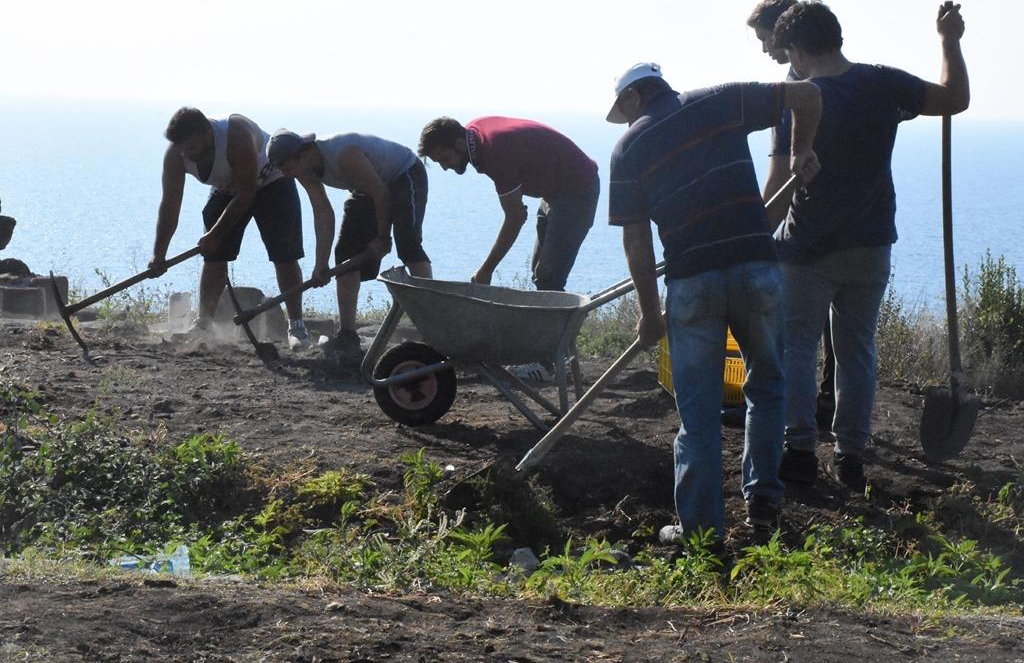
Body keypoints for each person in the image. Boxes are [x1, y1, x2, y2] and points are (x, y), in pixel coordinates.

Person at [605, 61, 822, 544]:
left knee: (698, 414)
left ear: (634, 99)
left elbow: (636, 242)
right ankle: (764, 503)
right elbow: (807, 96)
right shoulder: (719, 100)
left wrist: (648, 313)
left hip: (693, 282)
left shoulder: (627, 148)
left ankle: (701, 534)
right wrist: (799, 150)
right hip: (756, 269)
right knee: (767, 387)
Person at [768, 0, 969, 490]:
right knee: (856, 349)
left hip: (807, 248)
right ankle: (850, 457)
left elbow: (777, 186)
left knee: (795, 346)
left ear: (795, 48)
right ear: (835, 37)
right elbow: (954, 98)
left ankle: (798, 451)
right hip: (871, 244)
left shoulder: (797, 98)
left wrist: (748, 238)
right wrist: (949, 42)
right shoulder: (882, 83)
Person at [747, 0, 838, 435]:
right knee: (841, 333)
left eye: (767, 39)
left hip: (807, 229)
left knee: (799, 335)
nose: (765, 49)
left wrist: (757, 233)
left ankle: (800, 429)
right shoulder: (838, 77)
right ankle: (830, 406)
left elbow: (778, 173)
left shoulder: (789, 95)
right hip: (855, 223)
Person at [148, 107, 312, 349]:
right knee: (213, 256)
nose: (187, 155)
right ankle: (204, 324)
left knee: (284, 255)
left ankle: (297, 327)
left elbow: (246, 195)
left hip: (272, 181)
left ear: (206, 134)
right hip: (228, 187)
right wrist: (159, 254)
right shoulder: (176, 154)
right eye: (182, 149)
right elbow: (170, 206)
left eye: (191, 148)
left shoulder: (236, 135)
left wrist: (215, 234)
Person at [266, 129, 432, 365]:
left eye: (284, 164)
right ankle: (347, 334)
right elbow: (322, 211)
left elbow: (382, 194)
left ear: (303, 153)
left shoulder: (344, 156)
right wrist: (321, 263)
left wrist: (383, 238)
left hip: (403, 175)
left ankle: (434, 327)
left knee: (408, 244)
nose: (283, 173)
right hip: (367, 188)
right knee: (345, 255)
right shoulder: (302, 171)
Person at [416, 116, 599, 292]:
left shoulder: (494, 153)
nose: (445, 167)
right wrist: (516, 212)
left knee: (548, 278)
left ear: (459, 144)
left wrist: (486, 270)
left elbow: (514, 219)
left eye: (444, 159)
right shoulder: (474, 132)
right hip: (555, 191)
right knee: (540, 273)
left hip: (577, 190)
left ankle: (564, 323)